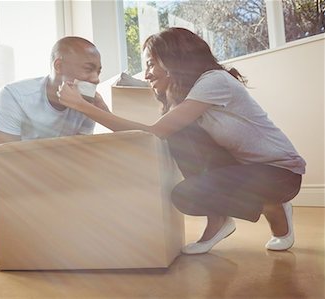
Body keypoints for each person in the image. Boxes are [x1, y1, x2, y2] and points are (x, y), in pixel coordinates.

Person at [58, 28, 306, 255]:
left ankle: (273, 206)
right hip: (246, 167)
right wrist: (104, 111)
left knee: (184, 194)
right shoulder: (190, 95)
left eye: (151, 64)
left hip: (281, 173)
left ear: (173, 60)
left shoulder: (214, 80)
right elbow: (152, 137)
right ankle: (218, 220)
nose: (146, 75)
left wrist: (82, 106)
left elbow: (154, 132)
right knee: (179, 136)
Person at [0, 36, 109, 256]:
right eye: (89, 69)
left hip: (42, 164)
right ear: (59, 66)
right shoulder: (14, 95)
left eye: (99, 71)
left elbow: (77, 158)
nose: (96, 79)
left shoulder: (86, 105)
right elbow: (8, 162)